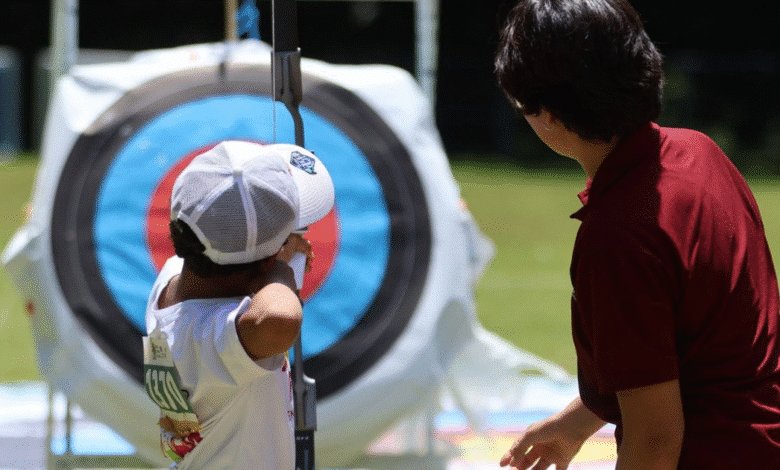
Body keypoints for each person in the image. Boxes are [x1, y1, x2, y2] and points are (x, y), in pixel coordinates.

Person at [494, 1, 780, 469]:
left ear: (547, 115)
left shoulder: (617, 236)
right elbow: (685, 353)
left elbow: (655, 442)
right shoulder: (701, 152)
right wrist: (575, 424)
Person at [142, 140, 334, 470]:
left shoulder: (171, 282)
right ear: (265, 264)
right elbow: (279, 319)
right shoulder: (213, 338)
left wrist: (271, 256)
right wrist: (280, 271)